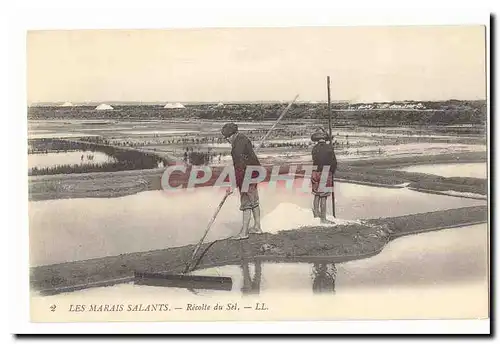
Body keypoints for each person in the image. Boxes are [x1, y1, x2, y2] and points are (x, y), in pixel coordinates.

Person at [221, 122, 263, 240]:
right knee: (254, 201)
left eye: (228, 137)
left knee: (246, 203)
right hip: (255, 172)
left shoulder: (236, 148)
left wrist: (233, 185)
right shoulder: (244, 139)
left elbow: (240, 167)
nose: (227, 140)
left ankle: (244, 232)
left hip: (247, 175)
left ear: (234, 134)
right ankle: (257, 227)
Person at [311, 129, 337, 224]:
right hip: (325, 171)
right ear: (325, 139)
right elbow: (333, 162)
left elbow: (315, 160)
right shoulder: (329, 148)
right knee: (323, 196)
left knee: (316, 193)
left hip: (315, 172)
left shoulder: (314, 148)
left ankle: (316, 214)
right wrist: (332, 172)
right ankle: (323, 219)